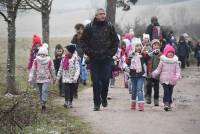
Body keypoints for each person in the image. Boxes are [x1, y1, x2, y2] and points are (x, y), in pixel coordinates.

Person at [81, 8, 119, 111]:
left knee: (106, 80)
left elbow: (116, 41)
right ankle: (96, 104)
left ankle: (104, 97)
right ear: (96, 16)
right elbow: (83, 42)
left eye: (104, 14)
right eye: (100, 14)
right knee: (96, 82)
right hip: (94, 59)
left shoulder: (109, 26)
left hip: (106, 58)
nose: (103, 15)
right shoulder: (89, 27)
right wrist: (89, 52)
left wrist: (110, 53)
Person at [152, 44, 181, 111]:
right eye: (169, 53)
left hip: (172, 80)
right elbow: (158, 69)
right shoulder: (163, 61)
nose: (170, 54)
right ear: (166, 53)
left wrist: (177, 76)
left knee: (170, 92)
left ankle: (169, 103)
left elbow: (178, 71)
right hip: (164, 79)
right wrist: (154, 74)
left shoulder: (175, 62)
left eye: (172, 53)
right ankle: (166, 103)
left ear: (173, 54)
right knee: (166, 91)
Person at [28, 44, 56, 112]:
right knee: (40, 92)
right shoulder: (36, 60)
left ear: (46, 53)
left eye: (43, 54)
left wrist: (54, 78)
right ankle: (42, 104)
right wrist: (30, 78)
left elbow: (52, 69)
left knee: (44, 91)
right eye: (41, 54)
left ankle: (43, 103)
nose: (42, 56)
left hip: (46, 79)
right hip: (38, 79)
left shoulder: (49, 60)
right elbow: (33, 70)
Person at [57, 44, 80, 108]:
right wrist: (58, 76)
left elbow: (77, 69)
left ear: (70, 51)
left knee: (71, 90)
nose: (65, 52)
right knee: (66, 89)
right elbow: (61, 68)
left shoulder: (75, 58)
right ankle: (66, 101)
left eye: (66, 50)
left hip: (72, 78)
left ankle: (70, 102)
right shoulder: (63, 58)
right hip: (65, 77)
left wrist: (76, 77)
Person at [126, 38, 146, 111]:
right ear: (134, 47)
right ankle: (133, 104)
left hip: (141, 75)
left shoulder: (143, 54)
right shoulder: (131, 54)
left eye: (140, 46)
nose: (139, 47)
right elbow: (127, 63)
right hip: (133, 75)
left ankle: (141, 105)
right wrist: (129, 58)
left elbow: (148, 59)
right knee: (134, 90)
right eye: (137, 46)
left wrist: (144, 54)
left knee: (139, 89)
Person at [144, 39, 162, 106]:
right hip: (150, 73)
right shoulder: (150, 53)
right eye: (155, 45)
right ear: (152, 46)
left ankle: (156, 100)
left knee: (156, 88)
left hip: (157, 74)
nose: (156, 46)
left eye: (158, 45)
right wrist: (150, 53)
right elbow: (145, 58)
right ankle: (148, 97)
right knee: (148, 86)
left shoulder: (161, 54)